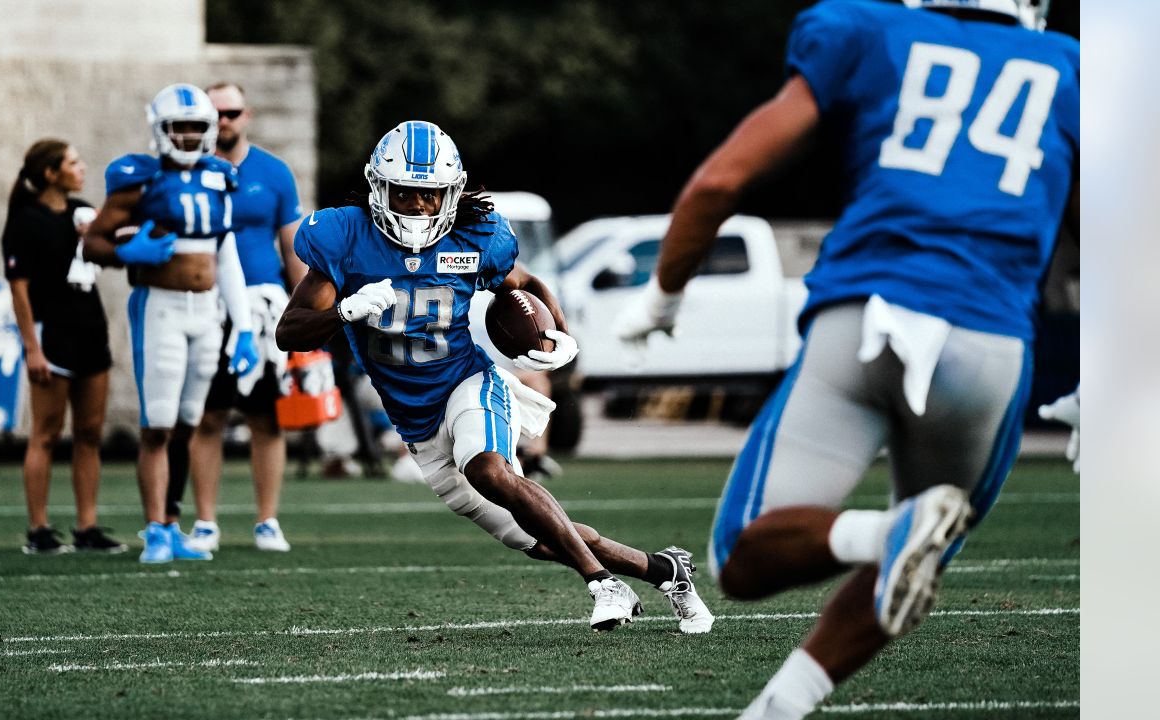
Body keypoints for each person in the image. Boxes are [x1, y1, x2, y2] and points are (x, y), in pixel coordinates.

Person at [615, 1, 1077, 716]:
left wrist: (661, 300)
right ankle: (781, 704)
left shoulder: (867, 31)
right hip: (990, 345)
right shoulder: (1073, 70)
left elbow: (718, 183)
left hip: (866, 323)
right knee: (922, 553)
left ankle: (886, 532)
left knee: (741, 558)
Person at [276, 120, 715, 633]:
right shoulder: (344, 236)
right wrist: (344, 312)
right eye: (408, 193)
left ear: (451, 194)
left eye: (431, 195)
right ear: (379, 188)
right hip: (416, 426)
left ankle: (602, 583)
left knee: (488, 469)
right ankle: (667, 571)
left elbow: (525, 282)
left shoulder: (475, 235)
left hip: (467, 383)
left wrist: (559, 338)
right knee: (542, 539)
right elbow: (291, 332)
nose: (419, 207)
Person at [83, 83, 261, 564]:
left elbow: (226, 256)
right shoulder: (138, 178)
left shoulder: (221, 176)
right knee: (157, 425)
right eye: (177, 127)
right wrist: (125, 252)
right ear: (159, 130)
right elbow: (91, 244)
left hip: (207, 314)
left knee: (187, 424)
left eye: (195, 127)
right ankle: (155, 529)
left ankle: (172, 522)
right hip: (159, 307)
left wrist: (242, 326)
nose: (186, 136)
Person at [163, 82, 306, 553]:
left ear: (247, 114)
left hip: (262, 304)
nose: (222, 120)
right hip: (204, 303)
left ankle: (267, 520)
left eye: (231, 112)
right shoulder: (185, 171)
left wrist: (307, 314)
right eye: (214, 113)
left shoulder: (274, 172)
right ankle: (205, 521)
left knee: (266, 417)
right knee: (207, 415)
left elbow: (291, 249)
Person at [1, 138, 126, 555]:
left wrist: (109, 235)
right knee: (45, 434)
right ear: (51, 173)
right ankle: (39, 529)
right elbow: (19, 293)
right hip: (52, 335)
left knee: (89, 433)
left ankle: (86, 527)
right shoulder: (25, 222)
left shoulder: (82, 211)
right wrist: (31, 348)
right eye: (73, 162)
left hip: (91, 330)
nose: (82, 167)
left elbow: (113, 253)